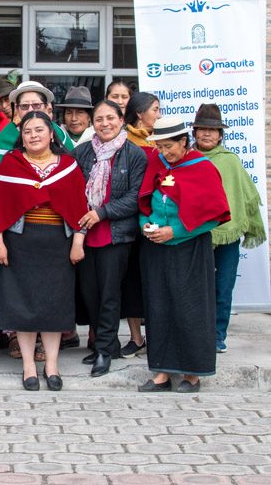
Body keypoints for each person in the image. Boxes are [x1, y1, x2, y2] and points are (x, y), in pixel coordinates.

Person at [0, 111, 87, 391]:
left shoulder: (68, 166)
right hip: (21, 243)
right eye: (28, 131)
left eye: (40, 130)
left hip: (58, 245)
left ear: (52, 134)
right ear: (22, 137)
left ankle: (52, 365)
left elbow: (80, 206)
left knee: (53, 307)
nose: (34, 135)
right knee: (24, 307)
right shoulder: (10, 165)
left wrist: (78, 240)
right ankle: (29, 365)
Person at [137, 116, 230, 393]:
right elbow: (147, 202)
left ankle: (192, 374)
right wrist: (147, 225)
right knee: (159, 307)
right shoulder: (158, 162)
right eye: (160, 147)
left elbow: (214, 215)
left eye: (169, 147)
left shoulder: (202, 168)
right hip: (156, 249)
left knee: (189, 309)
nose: (164, 153)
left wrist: (174, 231)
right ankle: (162, 373)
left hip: (189, 249)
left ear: (184, 142)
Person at [72, 100, 147, 377]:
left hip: (116, 235)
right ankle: (108, 343)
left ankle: (104, 349)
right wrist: (84, 218)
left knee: (109, 294)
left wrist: (101, 212)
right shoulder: (81, 152)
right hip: (84, 234)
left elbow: (134, 198)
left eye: (110, 118)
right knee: (90, 293)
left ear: (121, 119)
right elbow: (73, 191)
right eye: (99, 119)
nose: (105, 124)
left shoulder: (134, 154)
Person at [192, 104, 266, 353]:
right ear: (194, 132)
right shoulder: (187, 160)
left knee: (223, 286)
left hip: (227, 236)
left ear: (221, 135)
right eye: (202, 129)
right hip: (195, 234)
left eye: (212, 130)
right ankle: (197, 334)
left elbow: (245, 196)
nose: (206, 134)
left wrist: (248, 223)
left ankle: (217, 335)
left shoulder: (230, 162)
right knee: (197, 288)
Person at [120, 91, 161, 358]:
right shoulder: (123, 143)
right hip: (129, 222)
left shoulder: (164, 142)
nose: (158, 115)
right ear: (139, 114)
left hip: (157, 223)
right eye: (155, 109)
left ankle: (158, 337)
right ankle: (136, 338)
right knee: (132, 281)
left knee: (155, 282)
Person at [0, 81, 74, 166]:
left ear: (46, 107)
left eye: (36, 105)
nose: (30, 110)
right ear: (17, 109)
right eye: (24, 106)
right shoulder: (5, 136)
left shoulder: (59, 133)